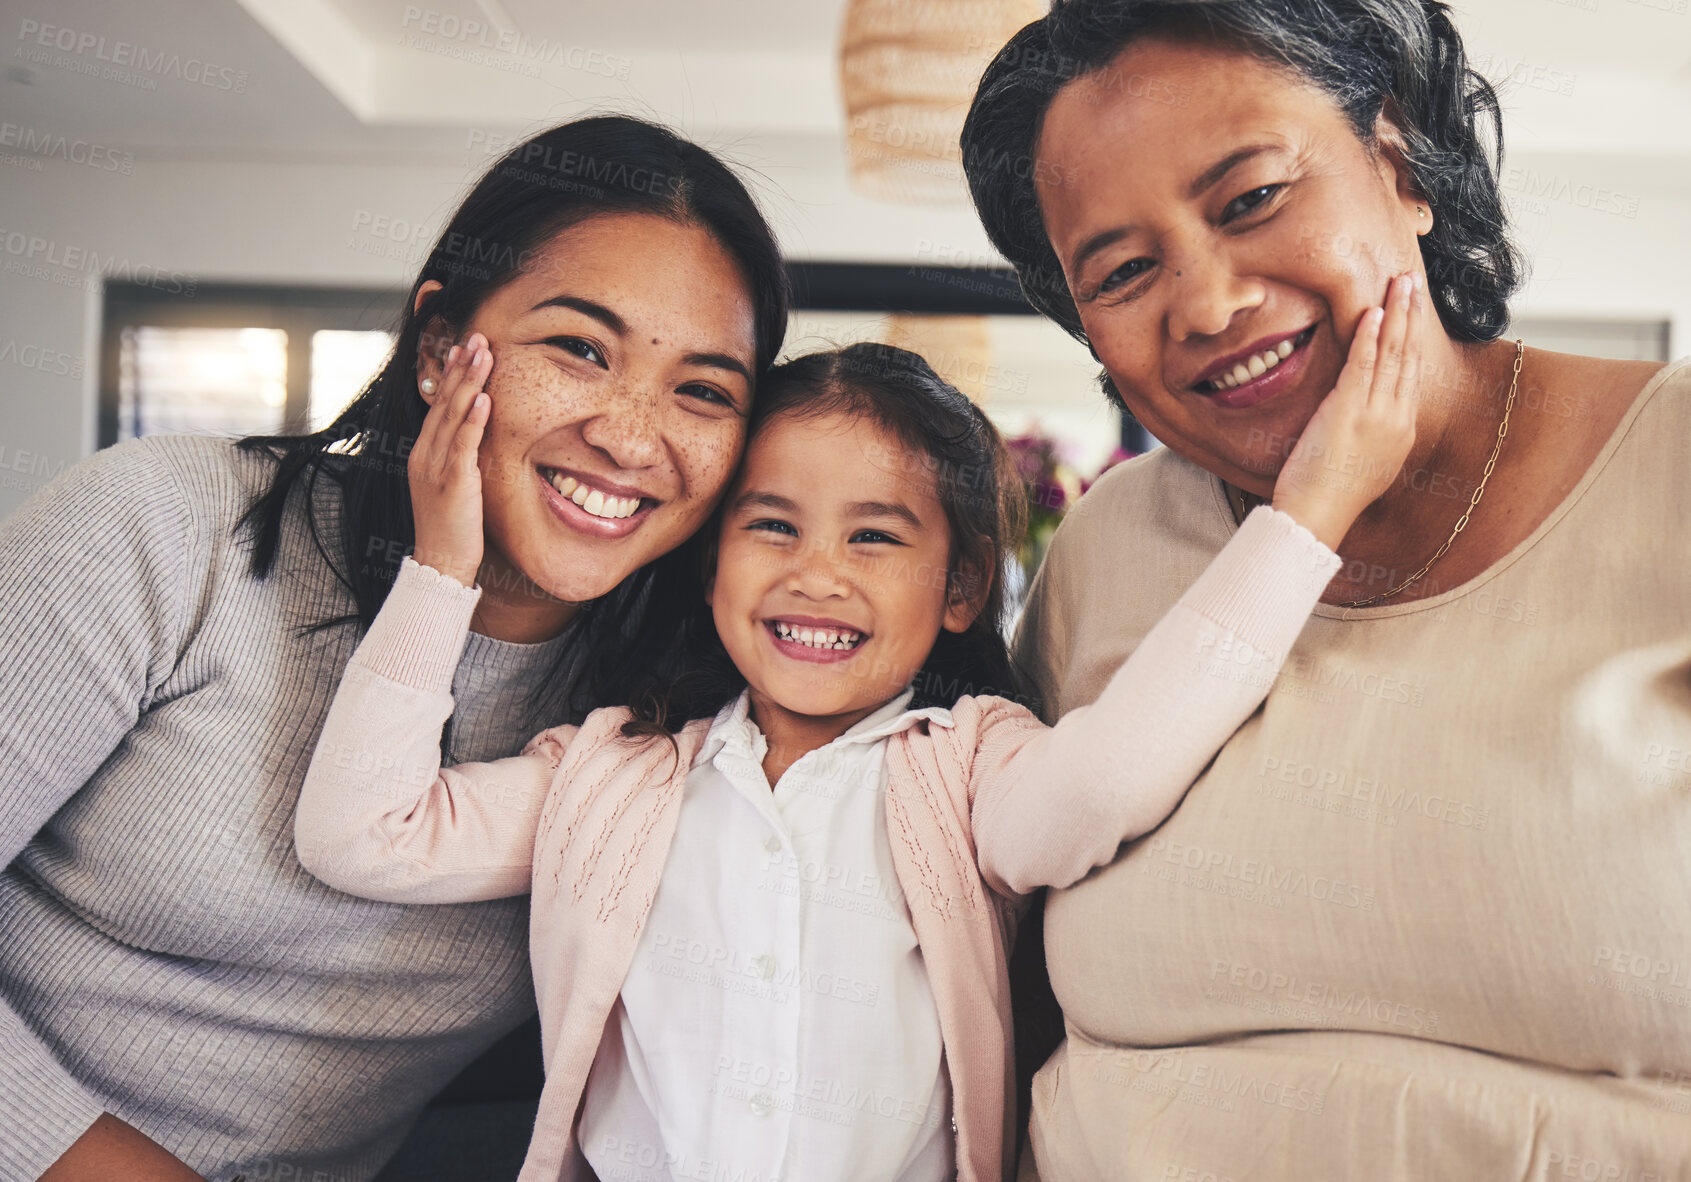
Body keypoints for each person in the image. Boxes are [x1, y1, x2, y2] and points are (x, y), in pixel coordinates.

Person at [292, 324, 1415, 1182]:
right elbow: (360, 835)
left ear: (962, 586)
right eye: (770, 525)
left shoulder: (966, 764)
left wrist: (1307, 516)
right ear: (712, 564)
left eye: (874, 535)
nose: (814, 573)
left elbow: (1106, 782)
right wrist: (442, 566)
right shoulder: (606, 772)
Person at [961, 0, 1690, 1177]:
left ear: (1398, 160)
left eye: (1249, 200)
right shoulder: (1105, 548)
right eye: (1123, 269)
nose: (1204, 307)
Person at [0, 115, 789, 1182]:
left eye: (702, 391)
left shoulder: (671, 712)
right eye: (578, 349)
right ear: (437, 348)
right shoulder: (166, 529)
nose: (631, 437)